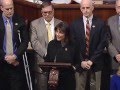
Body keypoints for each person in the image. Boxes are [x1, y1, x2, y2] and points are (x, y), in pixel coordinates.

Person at [70, 0, 107, 90]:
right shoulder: (74, 24)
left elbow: (102, 43)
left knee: (95, 88)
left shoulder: (101, 23)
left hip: (96, 63)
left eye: (88, 8)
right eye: (83, 8)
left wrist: (92, 60)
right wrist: (81, 61)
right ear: (80, 9)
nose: (85, 10)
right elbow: (73, 45)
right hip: (80, 64)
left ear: (92, 8)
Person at [30, 1, 62, 90]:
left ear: (53, 11)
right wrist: (47, 54)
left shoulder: (60, 23)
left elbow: (64, 41)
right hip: (41, 63)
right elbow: (34, 42)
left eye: (49, 12)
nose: (47, 14)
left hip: (58, 63)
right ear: (41, 12)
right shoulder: (34, 24)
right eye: (45, 12)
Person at [0, 0, 29, 90]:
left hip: (16, 63)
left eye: (11, 8)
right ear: (1, 8)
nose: (10, 11)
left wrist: (15, 56)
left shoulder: (20, 20)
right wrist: (5, 57)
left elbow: (25, 42)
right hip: (1, 62)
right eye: (7, 9)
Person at [45, 22, 80, 90]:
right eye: (57, 31)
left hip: (68, 78)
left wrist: (74, 68)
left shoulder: (73, 45)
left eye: (61, 32)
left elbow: (78, 61)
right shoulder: (51, 44)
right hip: (53, 78)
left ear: (66, 34)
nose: (58, 34)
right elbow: (47, 60)